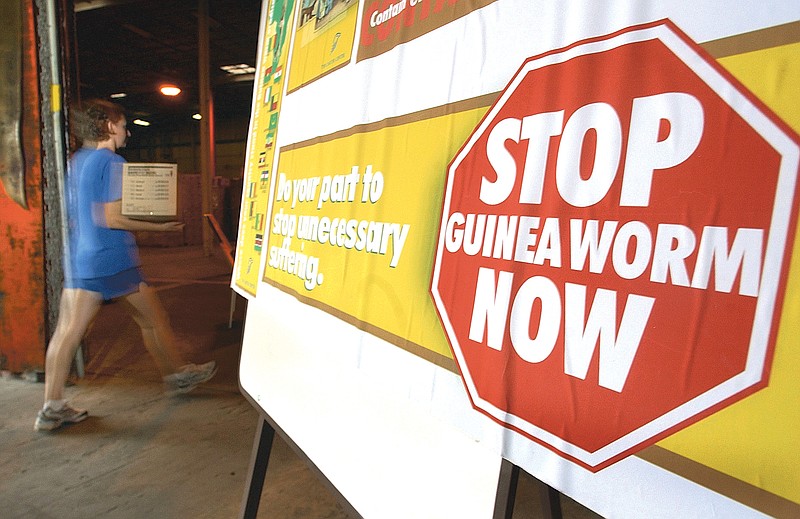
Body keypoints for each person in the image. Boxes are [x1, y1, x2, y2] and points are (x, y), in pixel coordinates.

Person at [35, 99, 216, 432]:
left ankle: (52, 405)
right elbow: (112, 217)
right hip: (112, 257)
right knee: (152, 319)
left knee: (67, 332)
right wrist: (161, 227)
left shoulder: (77, 160)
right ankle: (176, 375)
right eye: (122, 125)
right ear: (108, 127)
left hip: (82, 256)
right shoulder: (111, 161)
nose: (127, 131)